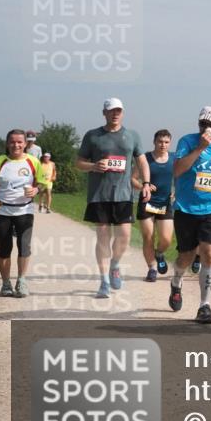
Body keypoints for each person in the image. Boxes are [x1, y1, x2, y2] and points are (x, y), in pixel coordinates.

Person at [76, 98, 150, 299]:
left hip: (123, 194)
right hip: (99, 194)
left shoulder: (132, 136)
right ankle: (104, 282)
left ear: (123, 113)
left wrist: (145, 184)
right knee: (102, 237)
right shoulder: (93, 136)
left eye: (118, 111)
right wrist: (92, 166)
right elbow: (79, 162)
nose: (115, 114)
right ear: (104, 113)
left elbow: (142, 161)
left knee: (125, 235)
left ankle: (115, 265)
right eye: (111, 111)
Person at [170, 107, 211, 324]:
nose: (206, 129)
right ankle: (177, 281)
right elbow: (178, 170)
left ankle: (204, 306)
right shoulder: (187, 142)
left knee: (209, 252)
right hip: (186, 208)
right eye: (202, 124)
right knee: (186, 257)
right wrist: (200, 148)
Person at [0, 130, 49, 297]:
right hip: (2, 211)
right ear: (7, 143)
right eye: (12, 142)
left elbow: (43, 183)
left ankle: (22, 281)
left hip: (25, 210)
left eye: (19, 142)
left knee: (24, 247)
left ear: (25, 144)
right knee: (5, 248)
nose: (16, 145)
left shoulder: (33, 162)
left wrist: (36, 190)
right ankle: (5, 283)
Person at [132, 130, 175, 282]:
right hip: (147, 202)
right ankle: (152, 268)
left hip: (165, 204)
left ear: (170, 143)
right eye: (160, 141)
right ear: (154, 142)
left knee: (166, 239)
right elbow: (133, 179)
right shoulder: (146, 158)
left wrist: (175, 192)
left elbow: (180, 177)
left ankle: (159, 253)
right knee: (148, 237)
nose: (163, 145)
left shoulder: (174, 159)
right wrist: (144, 186)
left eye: (166, 142)